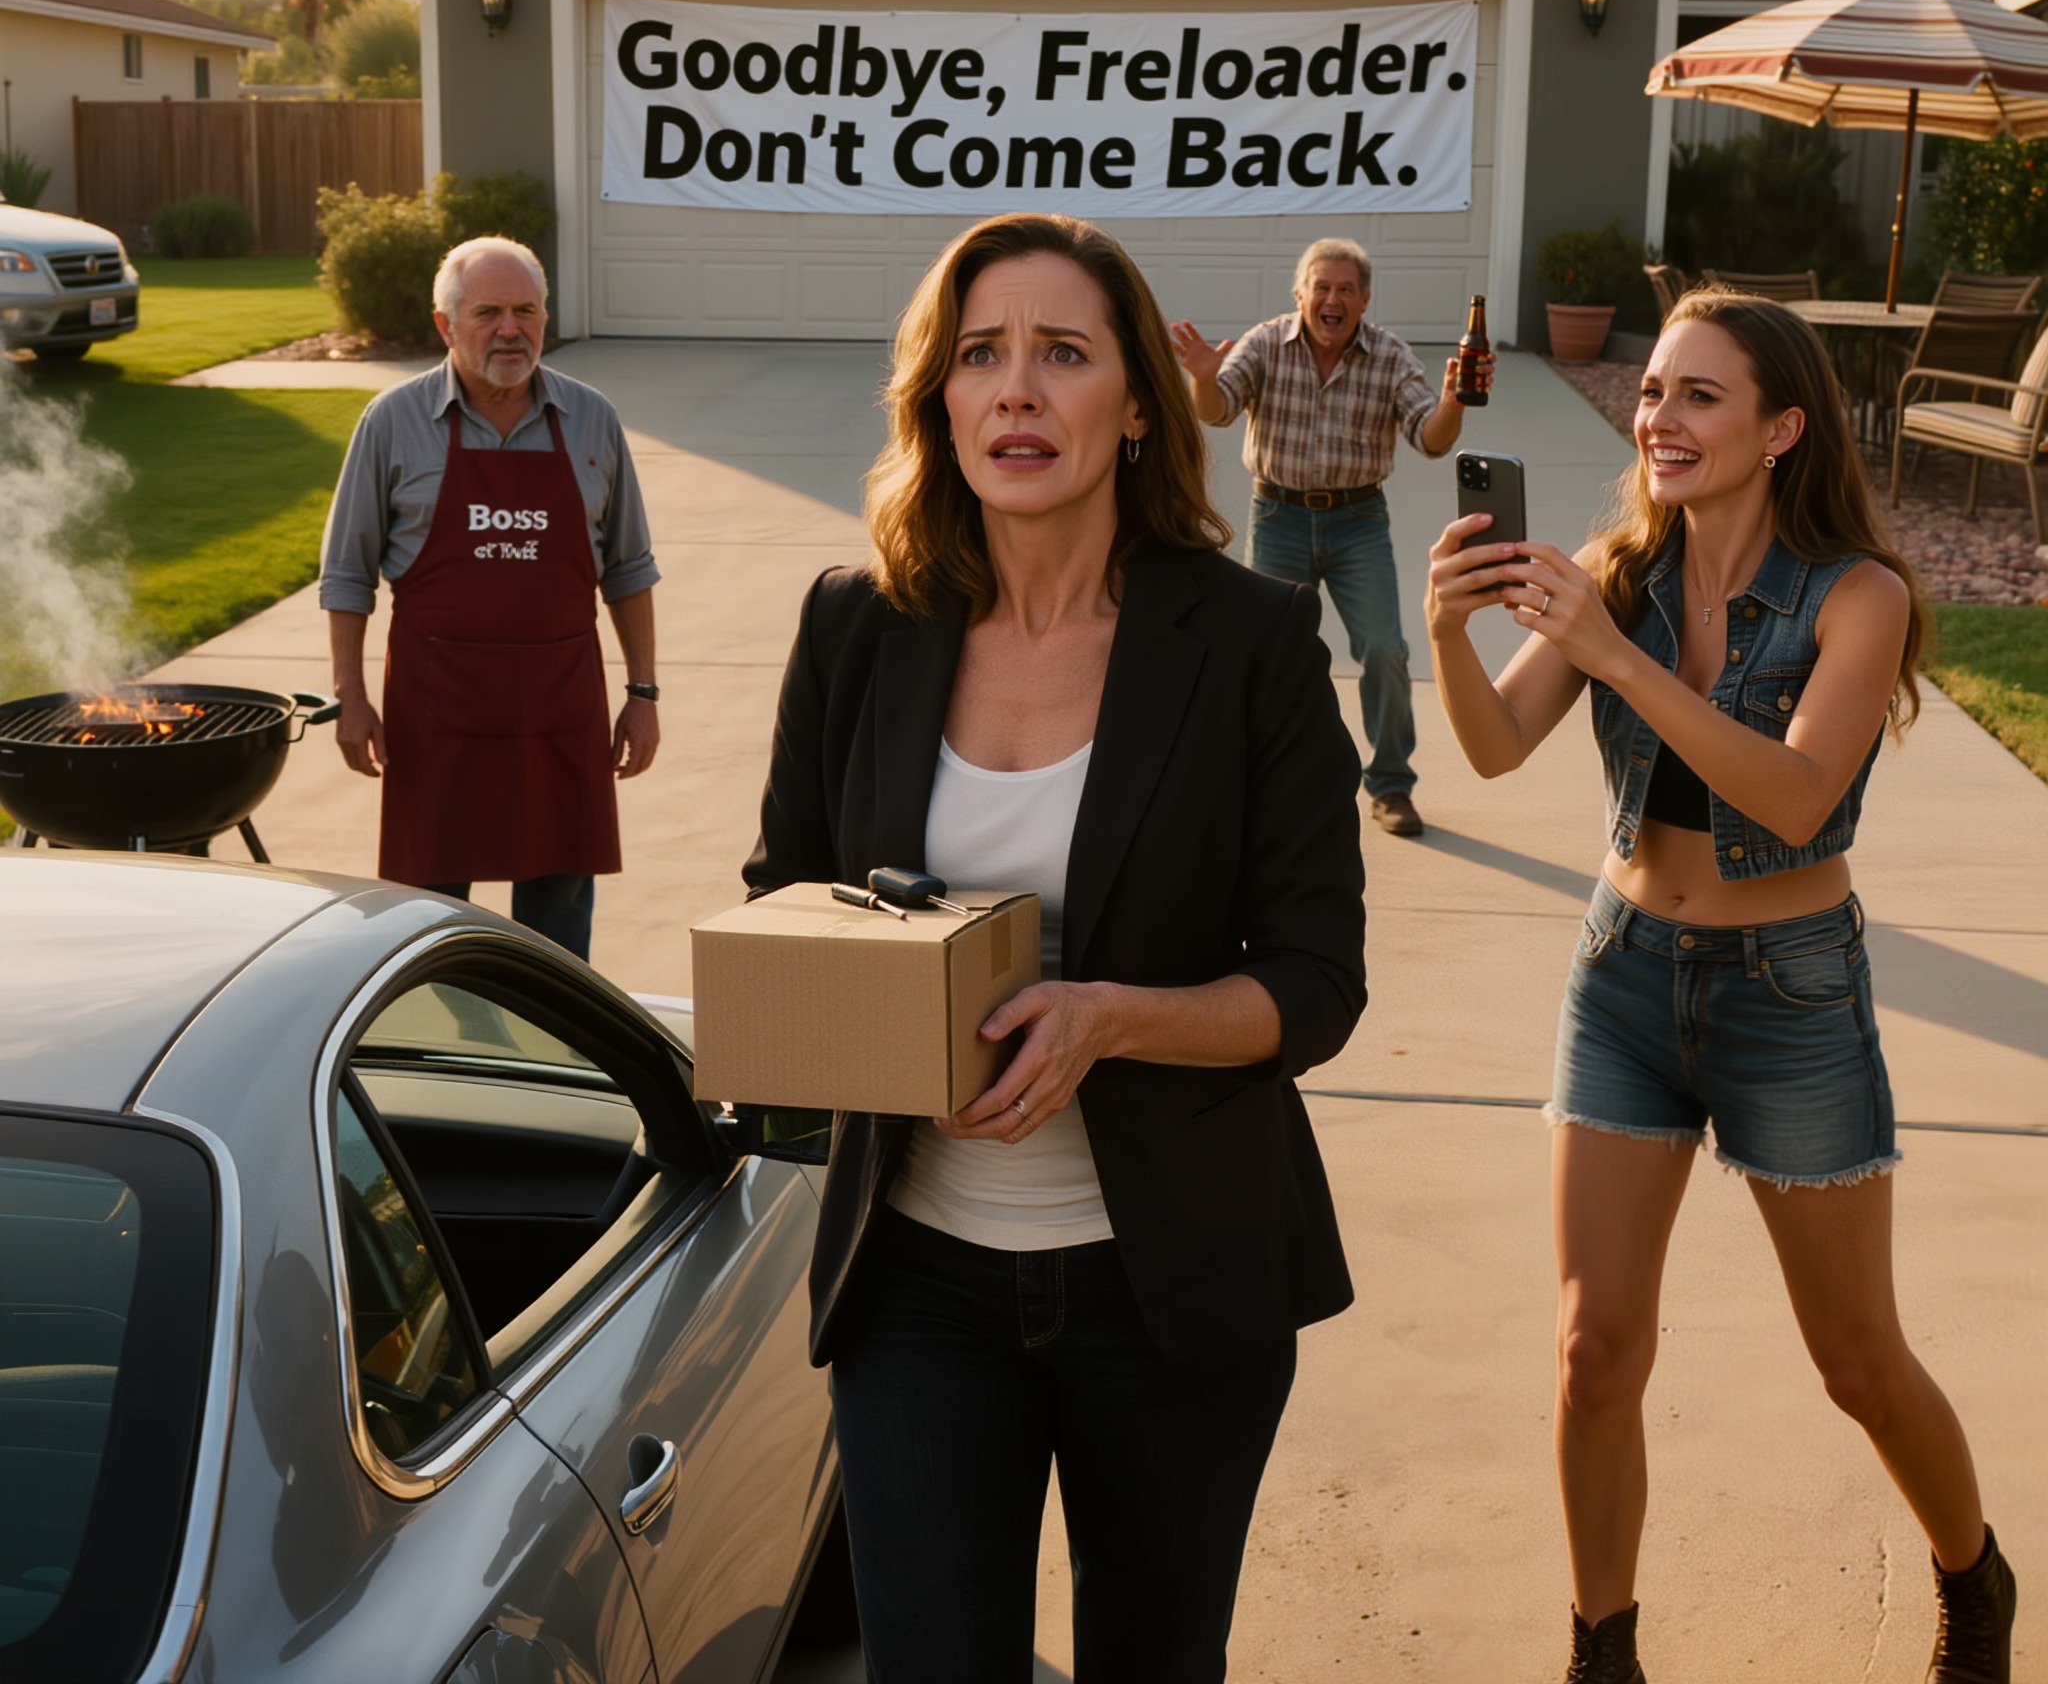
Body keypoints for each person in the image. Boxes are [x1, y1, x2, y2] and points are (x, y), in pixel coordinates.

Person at [744, 212, 1366, 1681]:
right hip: (917, 1282)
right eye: (980, 356)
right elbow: (788, 890)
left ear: (1138, 405)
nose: (1015, 389)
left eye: (1062, 354)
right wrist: (870, 1010)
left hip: (1174, 1289)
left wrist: (1107, 1018)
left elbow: (1316, 982)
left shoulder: (1255, 642)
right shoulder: (856, 627)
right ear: (939, 401)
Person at [1424, 291, 2015, 1684]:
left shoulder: (1859, 598)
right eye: (1652, 395)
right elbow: (1498, 747)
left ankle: (1972, 1573)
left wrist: (1613, 653)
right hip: (1623, 978)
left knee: (1858, 1361)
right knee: (1592, 1352)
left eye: (1698, 396)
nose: (1659, 420)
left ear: (1780, 428)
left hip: (1789, 994)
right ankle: (1603, 1648)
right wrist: (1452, 627)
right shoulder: (1617, 570)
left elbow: (1802, 797)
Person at [319, 236, 661, 960]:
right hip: (438, 708)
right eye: (488, 313)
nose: (510, 329)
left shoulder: (592, 418)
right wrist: (350, 697)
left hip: (559, 706)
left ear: (546, 317)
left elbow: (628, 568)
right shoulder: (393, 422)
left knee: (560, 900)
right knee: (430, 913)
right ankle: (449, 1046)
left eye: (526, 310)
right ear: (446, 326)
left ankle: (560, 1045)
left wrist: (643, 693)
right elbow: (347, 576)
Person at [1170, 237, 1489, 838]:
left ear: (1365, 300)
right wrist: (1204, 379)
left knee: (1386, 652)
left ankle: (1391, 784)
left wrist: (1452, 402)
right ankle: (1254, 780)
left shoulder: (1391, 356)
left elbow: (1432, 438)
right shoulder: (1267, 342)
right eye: (1322, 287)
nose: (1333, 298)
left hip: (1358, 522)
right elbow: (1216, 410)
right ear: (1301, 294)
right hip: (1278, 515)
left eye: (1346, 289)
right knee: (1259, 655)